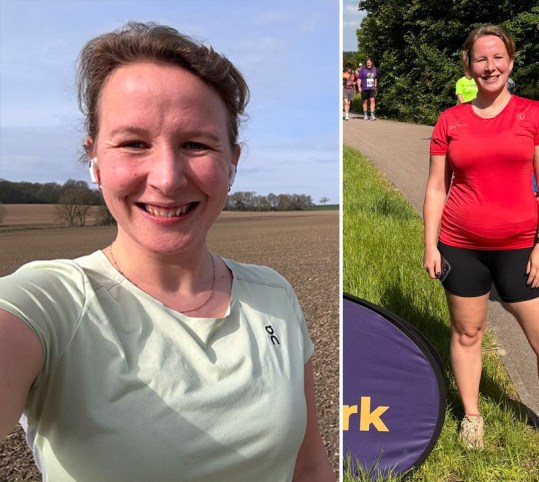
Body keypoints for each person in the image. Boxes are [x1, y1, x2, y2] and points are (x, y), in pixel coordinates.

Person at [0, 22, 334, 482]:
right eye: (134, 143)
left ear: (232, 161)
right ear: (94, 157)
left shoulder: (273, 295)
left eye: (195, 144)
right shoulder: (50, 301)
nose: (168, 178)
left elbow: (309, 465)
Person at [423, 25, 539, 469]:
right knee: (468, 334)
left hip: (521, 249)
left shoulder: (534, 116)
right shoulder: (451, 120)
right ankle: (471, 416)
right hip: (460, 246)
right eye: (481, 59)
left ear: (511, 61)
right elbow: (435, 188)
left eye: (498, 57)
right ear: (469, 66)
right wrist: (431, 245)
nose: (490, 66)